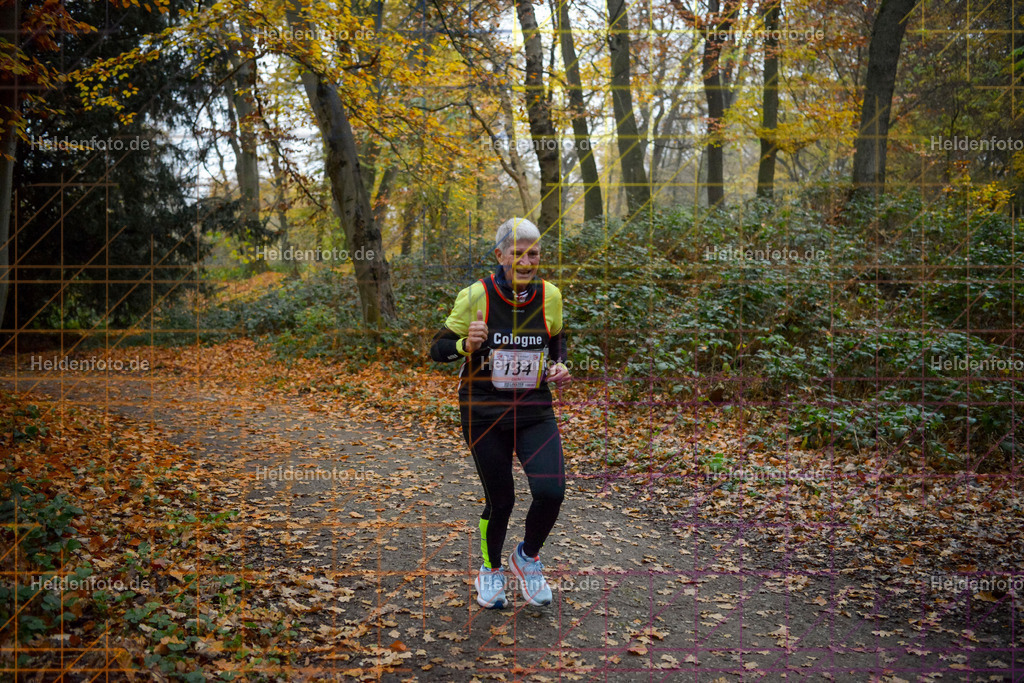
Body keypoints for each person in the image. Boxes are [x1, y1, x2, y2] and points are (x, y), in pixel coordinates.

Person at [429, 217, 570, 608]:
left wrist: (559, 364)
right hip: (484, 411)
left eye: (533, 254)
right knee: (501, 499)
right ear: (500, 254)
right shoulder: (477, 295)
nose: (526, 261)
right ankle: (489, 570)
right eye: (517, 253)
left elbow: (556, 339)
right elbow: (437, 349)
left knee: (552, 491)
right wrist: (465, 346)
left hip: (534, 408)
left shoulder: (550, 295)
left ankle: (527, 558)